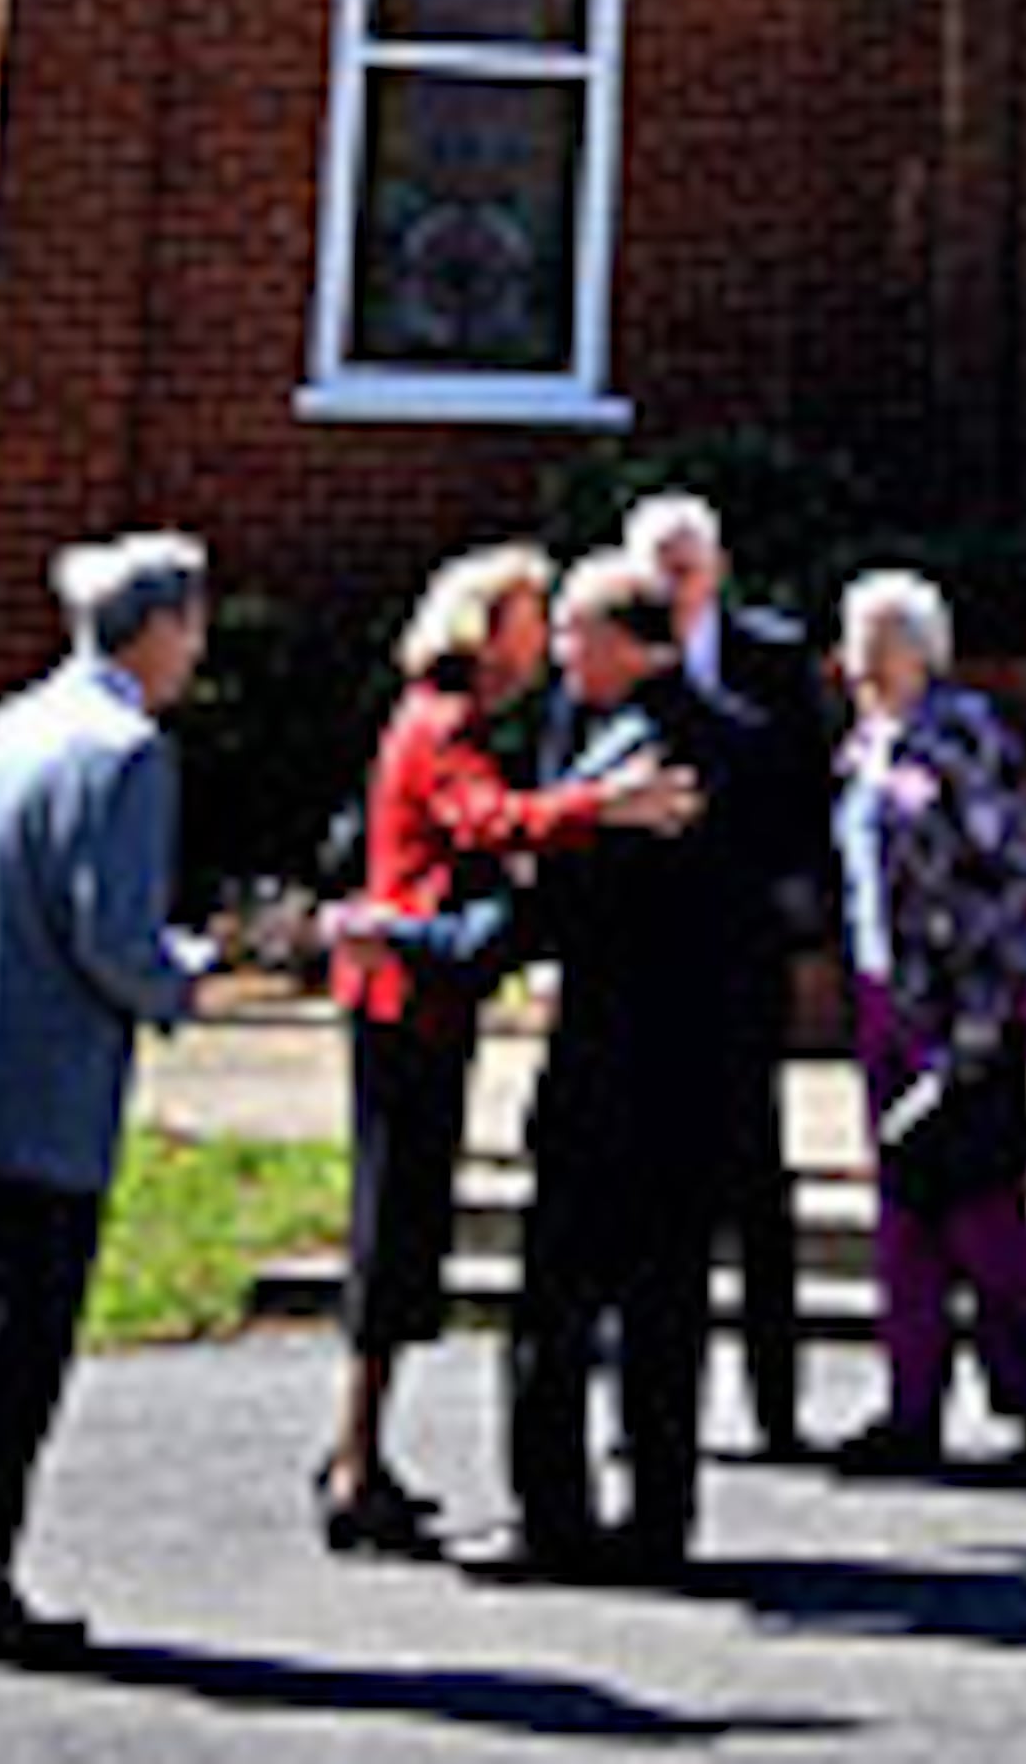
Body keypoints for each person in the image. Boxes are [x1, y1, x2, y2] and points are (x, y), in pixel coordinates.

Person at [319, 542, 700, 1555]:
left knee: (410, 1222)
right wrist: (599, 808)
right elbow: (486, 824)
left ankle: (363, 1455)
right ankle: (355, 1461)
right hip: (407, 1001)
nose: (548, 644)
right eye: (536, 618)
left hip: (428, 995)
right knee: (396, 1224)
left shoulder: (472, 719)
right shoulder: (445, 722)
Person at [0, 528, 217, 1667]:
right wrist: (191, 975)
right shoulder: (128, 753)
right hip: (49, 1093)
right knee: (19, 1350)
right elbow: (113, 940)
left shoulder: (15, 722)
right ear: (160, 626)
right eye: (194, 622)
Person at [465, 548, 758, 1590]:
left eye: (573, 634)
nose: (556, 653)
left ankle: (554, 1517)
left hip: (609, 1067)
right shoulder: (731, 738)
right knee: (667, 1304)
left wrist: (460, 922)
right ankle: (659, 1515)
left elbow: (563, 903)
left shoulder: (632, 752)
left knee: (556, 1303)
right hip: (700, 1068)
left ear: (626, 641)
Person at [829, 564, 1026, 1480]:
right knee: (903, 1207)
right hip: (886, 991)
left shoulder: (963, 737)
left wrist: (986, 1018)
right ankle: (911, 1400)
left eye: (876, 642)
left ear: (918, 649)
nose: (857, 659)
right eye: (855, 641)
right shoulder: (864, 746)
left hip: (966, 996)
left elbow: (1004, 877)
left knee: (982, 1205)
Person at [625, 485, 833, 1459]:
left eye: (689, 564)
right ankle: (644, 1401)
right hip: (645, 957)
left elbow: (806, 788)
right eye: (659, 567)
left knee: (754, 1181)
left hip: (742, 950)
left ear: (717, 569)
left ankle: (776, 1401)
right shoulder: (610, 659)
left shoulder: (774, 658)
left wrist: (799, 905)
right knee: (646, 1188)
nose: (674, 582)